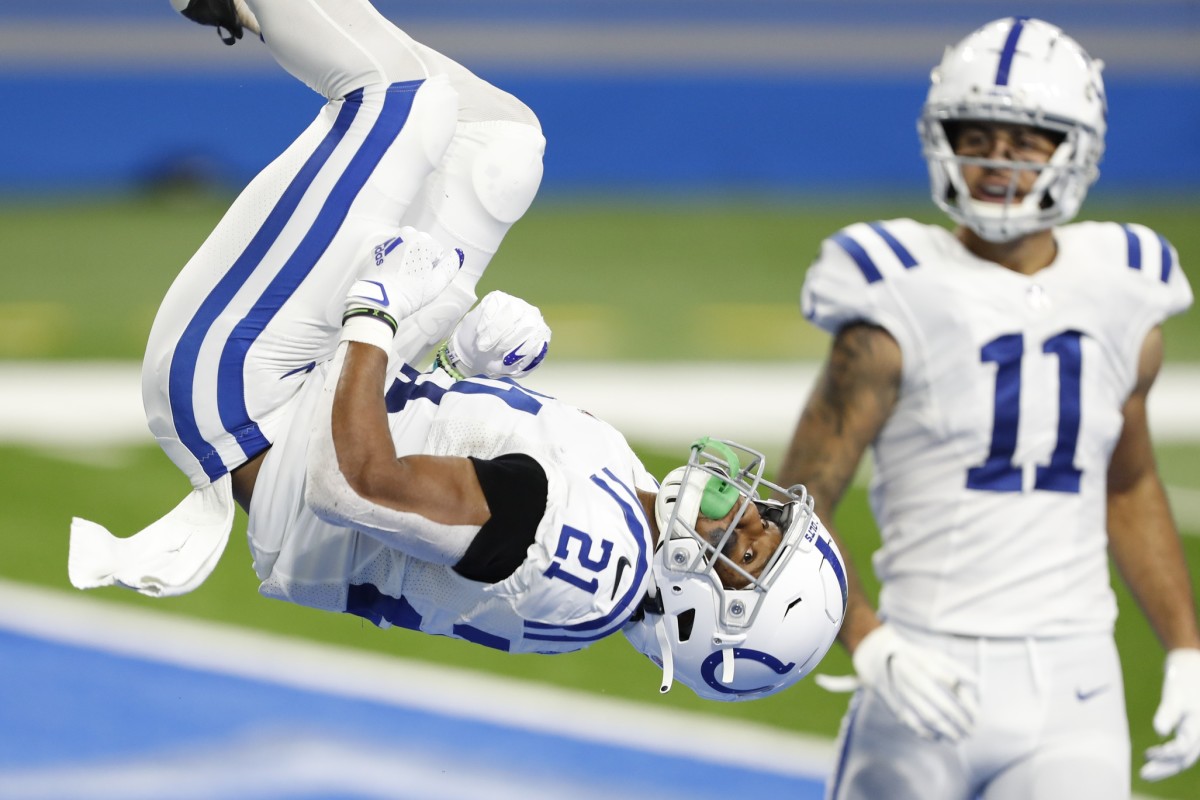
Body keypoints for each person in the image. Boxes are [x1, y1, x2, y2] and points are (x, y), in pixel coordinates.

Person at [67, 0, 848, 703]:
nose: (742, 509)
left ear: (703, 614)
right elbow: (418, 500)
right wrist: (459, 369)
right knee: (500, 149)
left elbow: (360, 487)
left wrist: (378, 310)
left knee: (399, 98)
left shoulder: (588, 556)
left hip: (245, 399)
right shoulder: (622, 535)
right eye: (766, 520)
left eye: (746, 545)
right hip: (310, 408)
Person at [776, 16, 1199, 799]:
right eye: (978, 133)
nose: (997, 158)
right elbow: (798, 505)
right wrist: (867, 642)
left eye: (1027, 138)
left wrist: (1185, 646)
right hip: (923, 670)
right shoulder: (891, 288)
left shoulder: (1125, 286)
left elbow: (1128, 482)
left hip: (1077, 686)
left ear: (1077, 148)